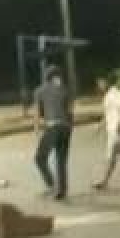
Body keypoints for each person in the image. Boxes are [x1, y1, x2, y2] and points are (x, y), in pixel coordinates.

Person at [33, 65, 74, 200]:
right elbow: (70, 112)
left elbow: (38, 113)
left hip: (52, 127)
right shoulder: (64, 90)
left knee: (39, 158)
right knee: (61, 160)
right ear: (56, 77)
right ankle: (61, 190)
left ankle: (52, 185)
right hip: (66, 128)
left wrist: (37, 130)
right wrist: (69, 127)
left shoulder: (39, 91)